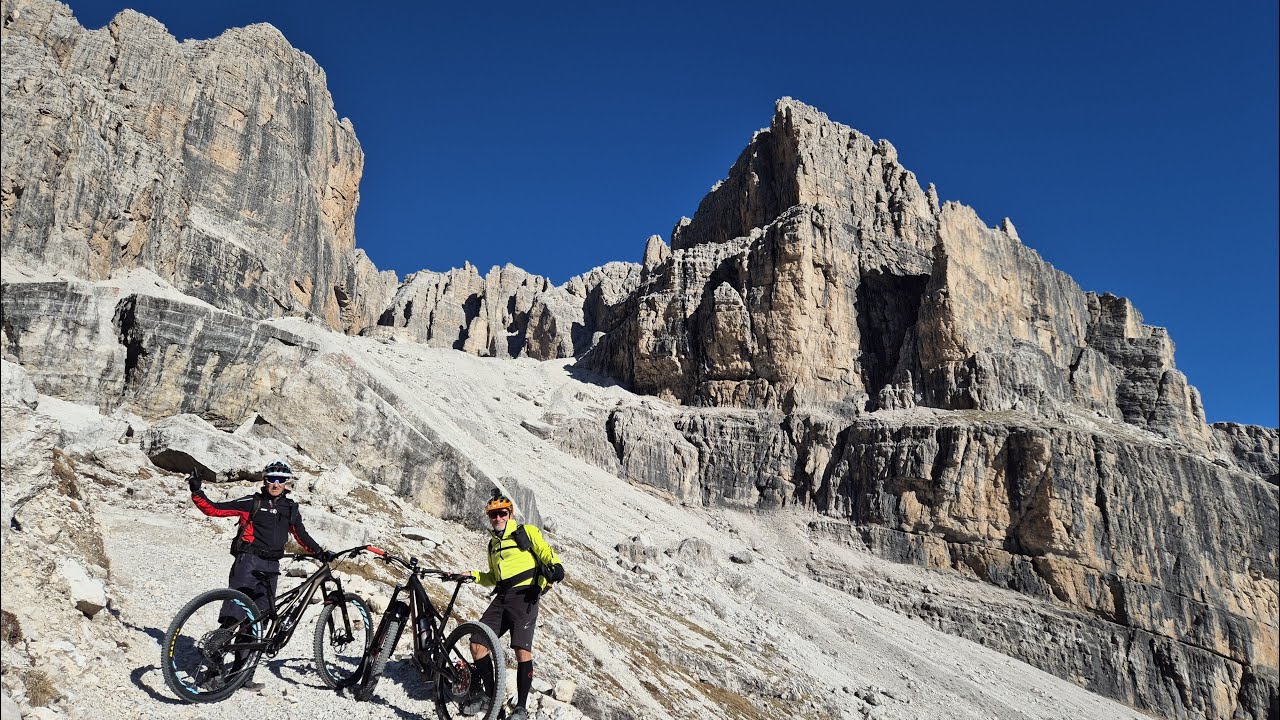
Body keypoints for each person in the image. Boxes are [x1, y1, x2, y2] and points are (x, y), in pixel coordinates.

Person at [187, 459, 333, 690]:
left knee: (257, 622)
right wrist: (197, 490)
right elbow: (215, 509)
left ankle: (242, 676)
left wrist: (320, 552)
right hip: (248, 563)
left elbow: (301, 535)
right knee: (234, 616)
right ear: (264, 480)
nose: (276, 484)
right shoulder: (252, 502)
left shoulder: (291, 508)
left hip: (272, 567)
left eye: (281, 480)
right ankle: (212, 673)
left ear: (287, 483)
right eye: (272, 479)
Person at [455, 490, 564, 720]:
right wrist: (473, 575)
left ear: (510, 514)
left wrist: (556, 567)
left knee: (522, 649)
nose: (497, 518)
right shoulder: (492, 545)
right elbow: (493, 577)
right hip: (502, 597)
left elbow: (546, 552)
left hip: (526, 594)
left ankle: (521, 708)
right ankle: (492, 698)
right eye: (492, 515)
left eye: (501, 513)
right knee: (477, 644)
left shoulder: (526, 532)